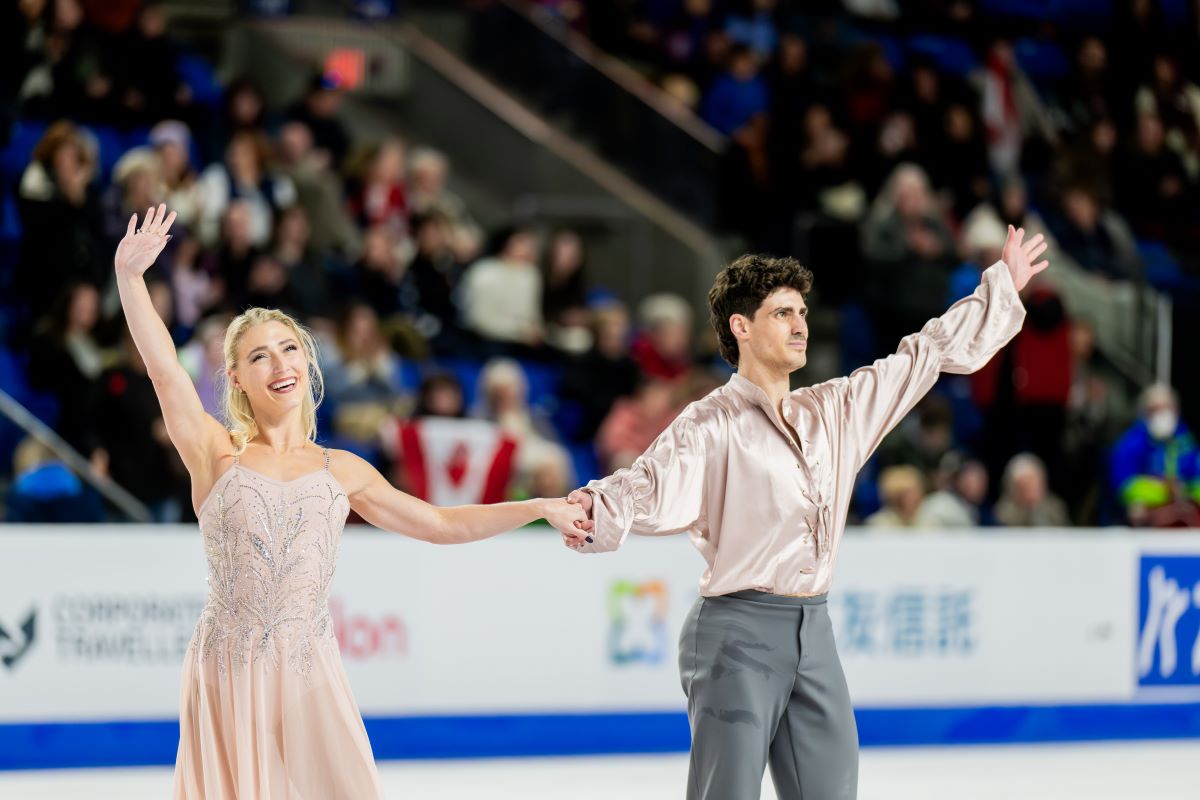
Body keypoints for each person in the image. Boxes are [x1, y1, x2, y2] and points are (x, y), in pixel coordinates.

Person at [113, 205, 588, 798]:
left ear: (307, 360)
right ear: (235, 377)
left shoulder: (342, 470)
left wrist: (537, 507)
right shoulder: (217, 455)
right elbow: (164, 372)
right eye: (259, 356)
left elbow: (440, 523)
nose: (279, 364)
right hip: (228, 668)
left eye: (288, 348)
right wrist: (130, 279)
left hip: (309, 671)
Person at [565, 225, 1048, 800]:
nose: (800, 325)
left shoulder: (835, 410)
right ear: (741, 327)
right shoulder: (710, 423)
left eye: (802, 312)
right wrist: (593, 506)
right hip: (735, 633)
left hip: (813, 629)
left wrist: (1001, 289)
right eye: (782, 313)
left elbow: (925, 354)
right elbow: (647, 485)